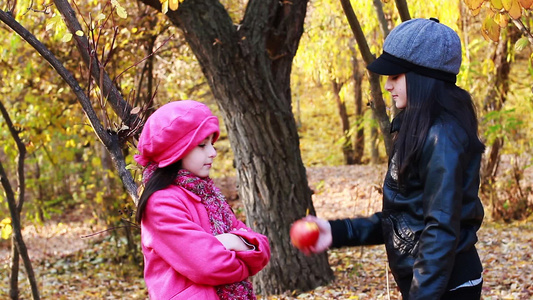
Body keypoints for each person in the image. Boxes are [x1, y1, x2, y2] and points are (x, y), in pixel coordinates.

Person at [297, 18, 486, 300]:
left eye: (395, 76)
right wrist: (337, 232)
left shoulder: (442, 136)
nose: (387, 86)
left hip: (447, 285)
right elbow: (405, 219)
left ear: (424, 77)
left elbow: (441, 230)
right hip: (432, 282)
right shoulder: (419, 129)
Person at [134, 100, 271, 299]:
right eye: (201, 145)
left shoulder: (207, 195)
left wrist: (232, 242)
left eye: (212, 143)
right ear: (175, 151)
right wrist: (239, 252)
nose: (213, 153)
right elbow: (208, 265)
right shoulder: (161, 203)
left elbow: (262, 248)